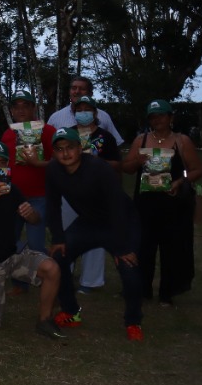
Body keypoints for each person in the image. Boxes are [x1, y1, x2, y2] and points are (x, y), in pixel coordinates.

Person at [45, 128, 146, 341]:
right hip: (89, 222)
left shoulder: (99, 168)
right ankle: (71, 312)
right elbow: (52, 205)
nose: (65, 154)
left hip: (121, 221)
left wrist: (121, 246)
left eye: (70, 148)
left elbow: (117, 207)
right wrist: (58, 238)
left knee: (129, 266)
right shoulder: (53, 170)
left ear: (79, 148)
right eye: (59, 149)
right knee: (59, 257)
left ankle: (133, 321)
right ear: (54, 152)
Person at [0, 142, 65, 339]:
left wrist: (31, 213)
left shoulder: (11, 189)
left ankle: (44, 321)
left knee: (51, 268)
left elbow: (35, 219)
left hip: (13, 257)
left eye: (1, 162)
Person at [122, 99, 202, 307]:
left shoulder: (182, 141)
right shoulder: (141, 140)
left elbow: (197, 169)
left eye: (161, 115)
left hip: (174, 205)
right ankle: (142, 289)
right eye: (153, 116)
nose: (157, 120)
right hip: (145, 204)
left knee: (173, 249)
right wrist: (137, 161)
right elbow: (127, 168)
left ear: (171, 117)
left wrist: (180, 181)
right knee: (143, 248)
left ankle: (167, 292)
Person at [0, 89, 55, 290]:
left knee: (36, 243)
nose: (21, 110)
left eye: (26, 106)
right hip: (12, 196)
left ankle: (45, 277)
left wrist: (38, 163)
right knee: (10, 241)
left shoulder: (48, 131)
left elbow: (59, 162)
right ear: (12, 110)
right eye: (17, 106)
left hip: (39, 196)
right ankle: (19, 281)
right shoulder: (8, 133)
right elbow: (3, 165)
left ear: (33, 108)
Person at [69, 94, 121, 293]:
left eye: (87, 109)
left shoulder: (105, 136)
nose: (83, 113)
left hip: (98, 193)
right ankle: (64, 274)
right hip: (70, 191)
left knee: (95, 236)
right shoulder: (68, 134)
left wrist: (96, 162)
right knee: (68, 234)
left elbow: (117, 164)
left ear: (95, 112)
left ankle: (90, 281)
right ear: (74, 113)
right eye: (79, 110)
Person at [47, 76, 123, 145]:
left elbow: (116, 144)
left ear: (90, 94)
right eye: (74, 88)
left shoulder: (103, 116)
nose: (77, 91)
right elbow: (48, 146)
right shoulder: (55, 118)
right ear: (69, 92)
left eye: (82, 89)